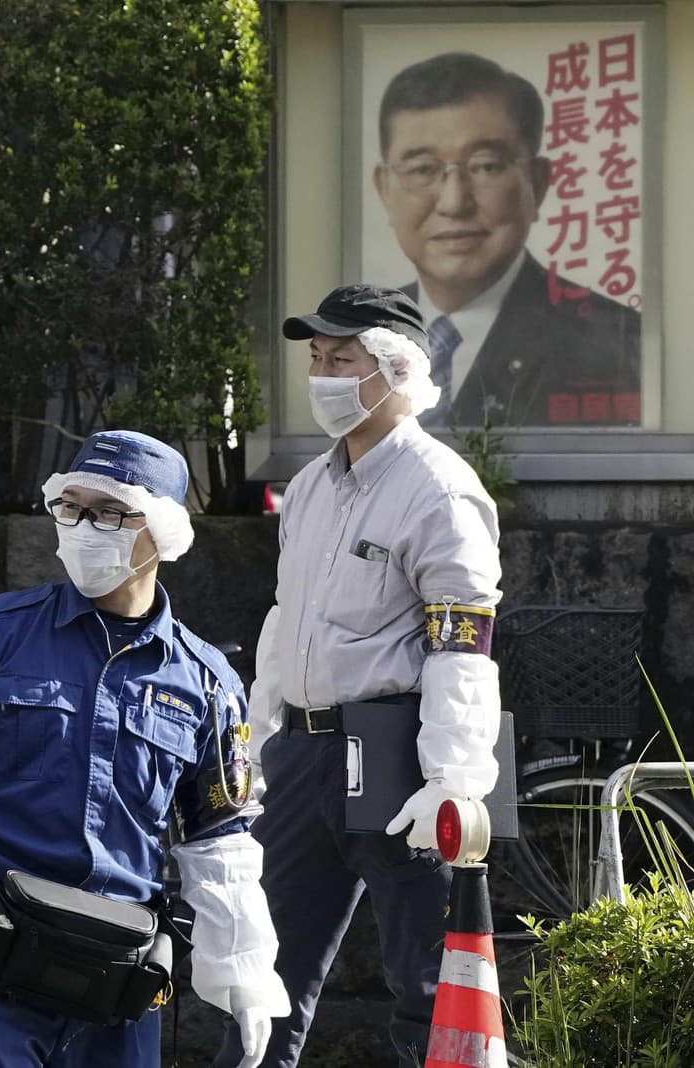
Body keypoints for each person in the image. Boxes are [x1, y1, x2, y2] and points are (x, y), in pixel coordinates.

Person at [0, 430, 289, 1068]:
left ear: (166, 530)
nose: (87, 527)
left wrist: (245, 969)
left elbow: (218, 840)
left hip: (117, 982)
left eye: (112, 511)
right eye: (73, 507)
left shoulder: (206, 682)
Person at [214, 285, 503, 1067]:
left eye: (342, 358)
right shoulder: (308, 487)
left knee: (427, 983)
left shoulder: (439, 489)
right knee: (260, 970)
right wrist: (256, 739)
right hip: (303, 755)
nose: (322, 374)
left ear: (397, 370)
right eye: (316, 357)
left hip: (399, 753)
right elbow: (285, 622)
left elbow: (462, 642)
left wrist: (455, 777)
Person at [373, 51, 640, 427]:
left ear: (538, 183)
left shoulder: (620, 349)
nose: (454, 202)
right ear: (384, 189)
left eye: (485, 166)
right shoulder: (362, 338)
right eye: (422, 170)